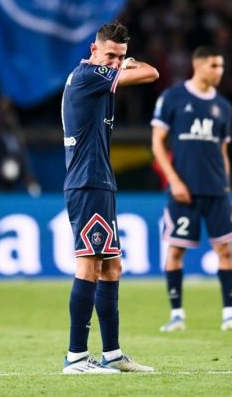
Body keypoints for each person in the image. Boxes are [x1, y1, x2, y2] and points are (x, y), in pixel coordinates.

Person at [60, 21, 159, 374]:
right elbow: (152, 73)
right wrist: (131, 64)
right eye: (110, 56)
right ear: (93, 51)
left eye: (120, 57)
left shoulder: (97, 80)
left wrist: (122, 64)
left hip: (99, 182)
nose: (115, 63)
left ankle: (112, 354)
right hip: (88, 184)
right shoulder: (89, 76)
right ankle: (75, 357)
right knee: (88, 265)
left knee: (111, 267)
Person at [151, 46, 232, 333]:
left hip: (217, 190)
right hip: (184, 190)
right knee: (176, 252)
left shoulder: (224, 107)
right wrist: (174, 180)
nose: (220, 72)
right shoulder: (173, 98)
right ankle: (176, 315)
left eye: (221, 67)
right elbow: (157, 143)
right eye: (215, 66)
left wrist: (226, 184)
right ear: (200, 66)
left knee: (225, 250)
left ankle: (230, 315)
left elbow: (222, 151)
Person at [0, 98, 41, 196]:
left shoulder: (14, 135)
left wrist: (27, 175)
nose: (7, 117)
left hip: (12, 182)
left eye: (9, 113)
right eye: (3, 113)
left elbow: (22, 155)